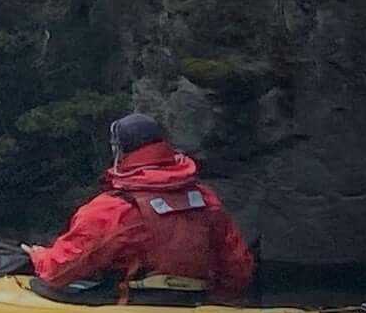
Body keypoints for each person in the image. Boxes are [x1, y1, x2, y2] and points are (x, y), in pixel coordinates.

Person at [19, 113, 256, 303]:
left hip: (135, 303)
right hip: (196, 303)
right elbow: (238, 270)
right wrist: (218, 301)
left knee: (41, 285)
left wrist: (39, 257)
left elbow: (59, 270)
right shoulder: (205, 198)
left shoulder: (115, 208)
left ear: (119, 151)